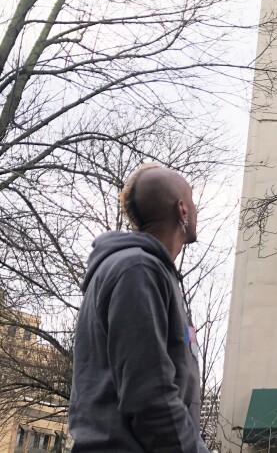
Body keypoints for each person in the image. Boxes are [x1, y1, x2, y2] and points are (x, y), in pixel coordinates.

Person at [69, 163, 209, 452]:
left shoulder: (148, 271)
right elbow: (150, 396)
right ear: (182, 210)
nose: (195, 209)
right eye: (192, 201)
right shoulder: (137, 270)